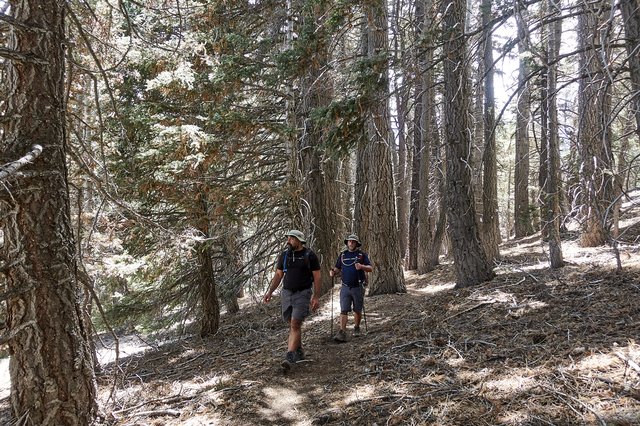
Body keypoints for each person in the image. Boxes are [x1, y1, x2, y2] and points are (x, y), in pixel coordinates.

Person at [263, 229, 321, 370]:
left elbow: (317, 277)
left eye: (291, 238)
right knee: (293, 323)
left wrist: (316, 296)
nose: (288, 241)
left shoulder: (309, 255)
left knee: (295, 323)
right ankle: (299, 349)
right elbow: (278, 275)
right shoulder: (284, 256)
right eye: (288, 238)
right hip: (287, 294)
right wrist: (270, 291)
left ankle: (290, 355)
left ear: (299, 240)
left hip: (303, 293)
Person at [329, 234, 373, 342]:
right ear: (347, 243)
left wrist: (362, 267)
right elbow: (338, 268)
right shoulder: (343, 255)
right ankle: (342, 332)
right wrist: (333, 272)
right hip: (345, 287)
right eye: (349, 241)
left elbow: (370, 268)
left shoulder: (361, 255)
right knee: (343, 309)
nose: (351, 243)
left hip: (358, 286)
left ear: (357, 243)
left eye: (353, 241)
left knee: (357, 309)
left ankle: (357, 327)